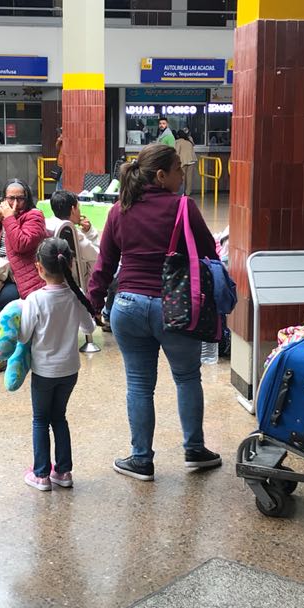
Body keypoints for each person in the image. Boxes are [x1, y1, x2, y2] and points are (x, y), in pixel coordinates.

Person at [87, 143, 222, 481]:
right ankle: (194, 450)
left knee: (139, 384)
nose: (182, 175)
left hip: (128, 307)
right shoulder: (183, 208)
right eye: (179, 169)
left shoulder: (121, 210)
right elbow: (209, 252)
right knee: (188, 377)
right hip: (173, 309)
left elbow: (104, 265)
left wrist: (92, 303)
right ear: (161, 176)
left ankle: (141, 459)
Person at [18, 237, 97, 491]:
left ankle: (41, 474)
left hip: (44, 372)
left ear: (38, 268)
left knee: (40, 419)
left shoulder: (35, 300)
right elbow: (90, 327)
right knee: (59, 418)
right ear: (71, 264)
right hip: (70, 370)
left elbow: (23, 335)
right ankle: (63, 472)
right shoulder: (77, 296)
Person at [0, 179, 46, 373]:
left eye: (19, 198)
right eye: (10, 198)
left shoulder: (34, 216)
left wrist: (8, 218)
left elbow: (22, 244)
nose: (14, 203)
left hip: (23, 279)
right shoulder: (3, 218)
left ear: (27, 198)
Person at [48, 189, 100, 290]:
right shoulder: (72, 233)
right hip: (78, 285)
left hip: (57, 280)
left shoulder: (50, 224)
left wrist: (86, 231)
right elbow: (97, 255)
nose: (80, 211)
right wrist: (91, 232)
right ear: (73, 209)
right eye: (78, 208)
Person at [174, 127, 197, 197]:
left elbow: (176, 152)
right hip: (192, 160)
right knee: (189, 178)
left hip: (183, 161)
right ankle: (188, 193)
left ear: (178, 135)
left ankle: (182, 192)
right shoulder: (189, 140)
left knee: (182, 177)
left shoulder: (178, 141)